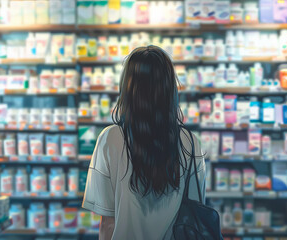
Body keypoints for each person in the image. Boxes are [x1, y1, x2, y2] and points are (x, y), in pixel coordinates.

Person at [82, 45, 206, 240]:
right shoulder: (190, 143)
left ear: (128, 88)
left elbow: (108, 223)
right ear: (169, 89)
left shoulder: (110, 139)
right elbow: (196, 210)